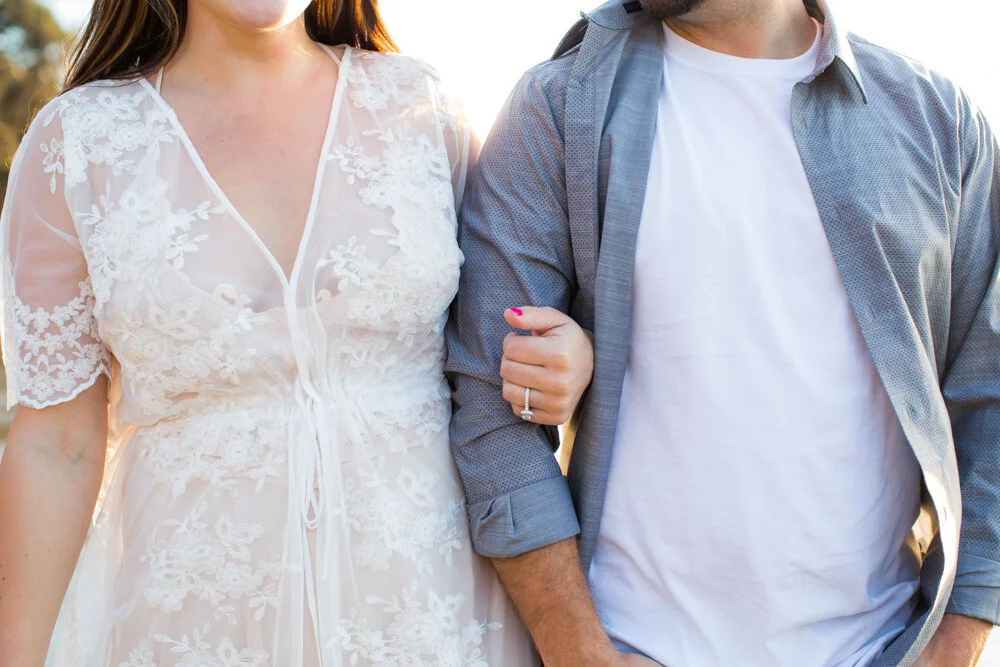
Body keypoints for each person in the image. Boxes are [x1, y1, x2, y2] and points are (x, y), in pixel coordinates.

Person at [0, 0, 598, 664]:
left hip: (432, 611)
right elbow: (56, 445)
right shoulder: (77, 144)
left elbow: (492, 340)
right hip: (191, 626)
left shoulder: (422, 107)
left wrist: (570, 356)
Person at [447, 0, 1000, 665]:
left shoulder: (938, 120)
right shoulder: (560, 106)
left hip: (879, 648)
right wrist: (582, 653)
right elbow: (490, 408)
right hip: (633, 644)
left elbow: (991, 403)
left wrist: (954, 646)